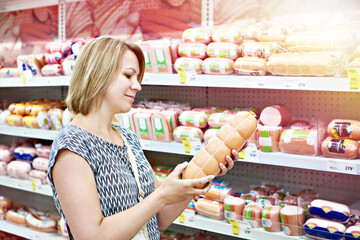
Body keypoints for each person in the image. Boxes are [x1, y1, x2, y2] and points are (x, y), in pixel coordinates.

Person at [48, 36, 242, 240]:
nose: (137, 86)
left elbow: (157, 219)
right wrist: (161, 196)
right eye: (128, 75)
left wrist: (198, 179)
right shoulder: (72, 147)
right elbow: (91, 236)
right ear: (97, 74)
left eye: (137, 77)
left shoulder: (127, 137)